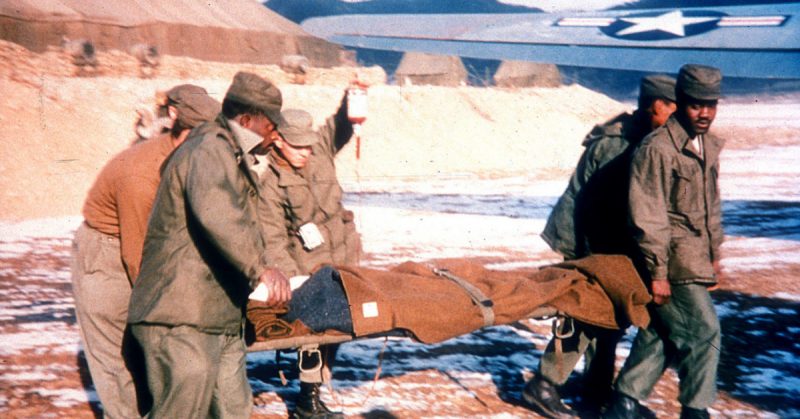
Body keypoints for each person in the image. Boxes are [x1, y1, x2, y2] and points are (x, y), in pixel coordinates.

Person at [127, 72, 291, 418]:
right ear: (245, 121)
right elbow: (219, 214)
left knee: (233, 410)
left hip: (217, 318)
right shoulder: (209, 149)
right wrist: (261, 269)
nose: (275, 134)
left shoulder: (230, 154)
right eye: (270, 125)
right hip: (180, 318)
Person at [526, 75, 677, 418]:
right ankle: (545, 383)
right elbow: (594, 209)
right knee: (585, 310)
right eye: (675, 108)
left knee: (609, 315)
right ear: (657, 106)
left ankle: (594, 388)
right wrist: (597, 262)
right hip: (585, 238)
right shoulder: (617, 145)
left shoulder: (641, 137)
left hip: (600, 239)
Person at [71, 84, 220, 418]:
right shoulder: (142, 173)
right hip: (107, 253)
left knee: (145, 353)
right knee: (116, 360)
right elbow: (137, 256)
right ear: (180, 132)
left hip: (149, 246)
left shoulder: (192, 158)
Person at [603, 64, 725, 419]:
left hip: (695, 256)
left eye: (711, 105)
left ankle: (624, 402)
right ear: (681, 102)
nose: (705, 114)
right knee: (704, 332)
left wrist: (715, 251)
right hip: (670, 261)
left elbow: (710, 204)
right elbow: (648, 216)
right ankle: (695, 410)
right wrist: (658, 272)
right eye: (695, 105)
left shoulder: (705, 146)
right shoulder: (656, 149)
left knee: (664, 331)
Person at [254, 90, 362, 419]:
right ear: (279, 143)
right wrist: (296, 280)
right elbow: (273, 239)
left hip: (343, 253)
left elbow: (339, 126)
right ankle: (309, 398)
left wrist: (353, 98)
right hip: (308, 265)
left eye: (308, 144)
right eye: (297, 145)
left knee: (342, 326)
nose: (305, 151)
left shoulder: (320, 151)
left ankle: (320, 378)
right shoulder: (269, 185)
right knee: (316, 328)